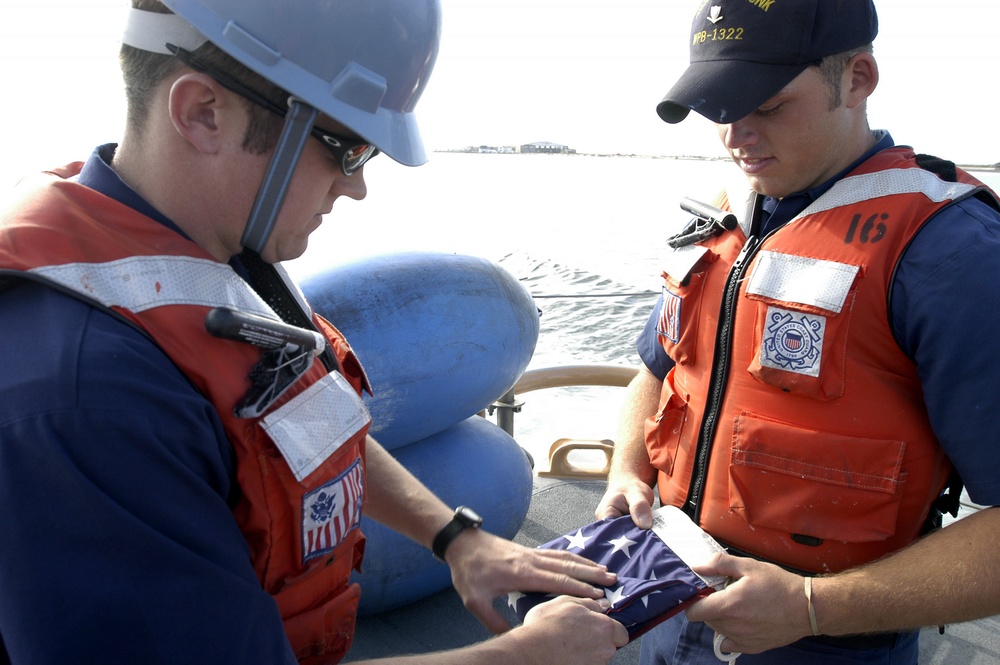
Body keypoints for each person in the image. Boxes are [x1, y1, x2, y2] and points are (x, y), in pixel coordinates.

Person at [0, 1, 630, 664]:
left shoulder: (214, 254)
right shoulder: (85, 398)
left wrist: (456, 540)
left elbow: (310, 423)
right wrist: (529, 656)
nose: (356, 187)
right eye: (347, 148)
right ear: (203, 113)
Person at [596, 0, 1000, 663]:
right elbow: (659, 368)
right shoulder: (726, 217)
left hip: (823, 641)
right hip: (660, 590)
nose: (735, 135)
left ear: (859, 78)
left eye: (767, 105)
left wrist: (813, 606)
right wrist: (624, 471)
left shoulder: (954, 252)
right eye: (720, 109)